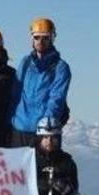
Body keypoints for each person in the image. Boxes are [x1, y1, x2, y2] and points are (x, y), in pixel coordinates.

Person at [11, 18, 71, 148]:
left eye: (45, 38)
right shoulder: (26, 62)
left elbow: (56, 99)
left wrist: (46, 130)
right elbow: (15, 93)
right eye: (37, 37)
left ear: (52, 38)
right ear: (32, 39)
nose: (40, 41)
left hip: (44, 133)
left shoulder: (60, 67)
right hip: (19, 128)